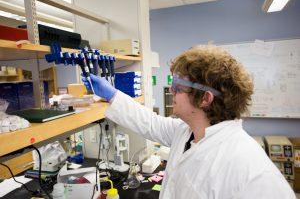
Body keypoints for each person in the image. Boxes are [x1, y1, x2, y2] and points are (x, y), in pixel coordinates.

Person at [82, 45, 296, 199]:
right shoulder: (186, 132)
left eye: (177, 85)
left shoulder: (253, 171)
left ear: (205, 98)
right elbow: (150, 123)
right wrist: (112, 94)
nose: (171, 91)